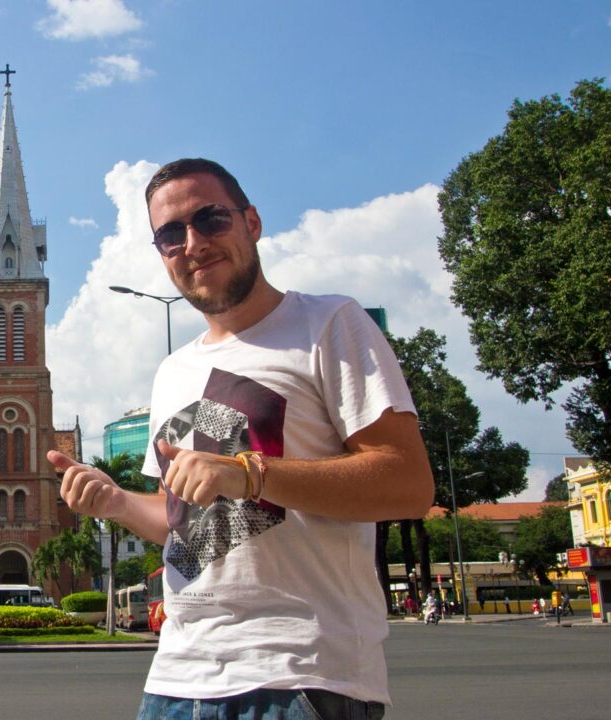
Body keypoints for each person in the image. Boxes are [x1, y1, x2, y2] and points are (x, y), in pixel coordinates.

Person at [48, 158, 433, 719]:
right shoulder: (172, 371)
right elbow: (186, 524)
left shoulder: (328, 324)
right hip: (176, 680)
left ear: (252, 221)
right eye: (171, 234)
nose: (194, 243)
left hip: (298, 675)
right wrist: (117, 502)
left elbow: (407, 483)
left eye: (211, 219)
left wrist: (250, 474)